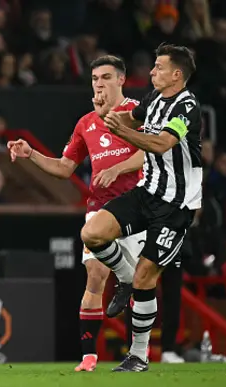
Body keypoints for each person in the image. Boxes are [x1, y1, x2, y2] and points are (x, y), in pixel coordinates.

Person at [7, 55, 145, 372]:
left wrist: (118, 168)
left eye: (106, 77)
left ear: (121, 80)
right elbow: (64, 167)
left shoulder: (137, 113)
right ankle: (88, 356)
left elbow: (149, 150)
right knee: (95, 277)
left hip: (136, 208)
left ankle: (137, 354)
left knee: (140, 282)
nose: (99, 83)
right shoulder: (86, 123)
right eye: (95, 77)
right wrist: (31, 154)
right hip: (99, 208)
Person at [86, 43, 202, 372]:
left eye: (159, 68)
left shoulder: (186, 107)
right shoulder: (153, 98)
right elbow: (129, 118)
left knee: (146, 276)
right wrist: (105, 114)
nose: (151, 72)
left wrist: (122, 130)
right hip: (146, 191)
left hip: (175, 205)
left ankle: (138, 355)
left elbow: (161, 142)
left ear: (177, 75)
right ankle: (122, 278)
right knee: (92, 234)